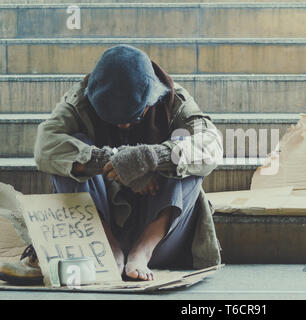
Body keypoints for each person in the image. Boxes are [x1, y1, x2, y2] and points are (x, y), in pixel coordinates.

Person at [31, 44, 223, 281]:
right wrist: (112, 162)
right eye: (114, 120)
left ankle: (142, 249)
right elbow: (44, 147)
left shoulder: (174, 100)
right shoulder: (79, 99)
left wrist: (150, 158)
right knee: (65, 152)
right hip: (98, 226)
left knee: (187, 150)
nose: (123, 126)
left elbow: (212, 145)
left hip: (160, 231)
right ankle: (108, 247)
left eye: (134, 117)